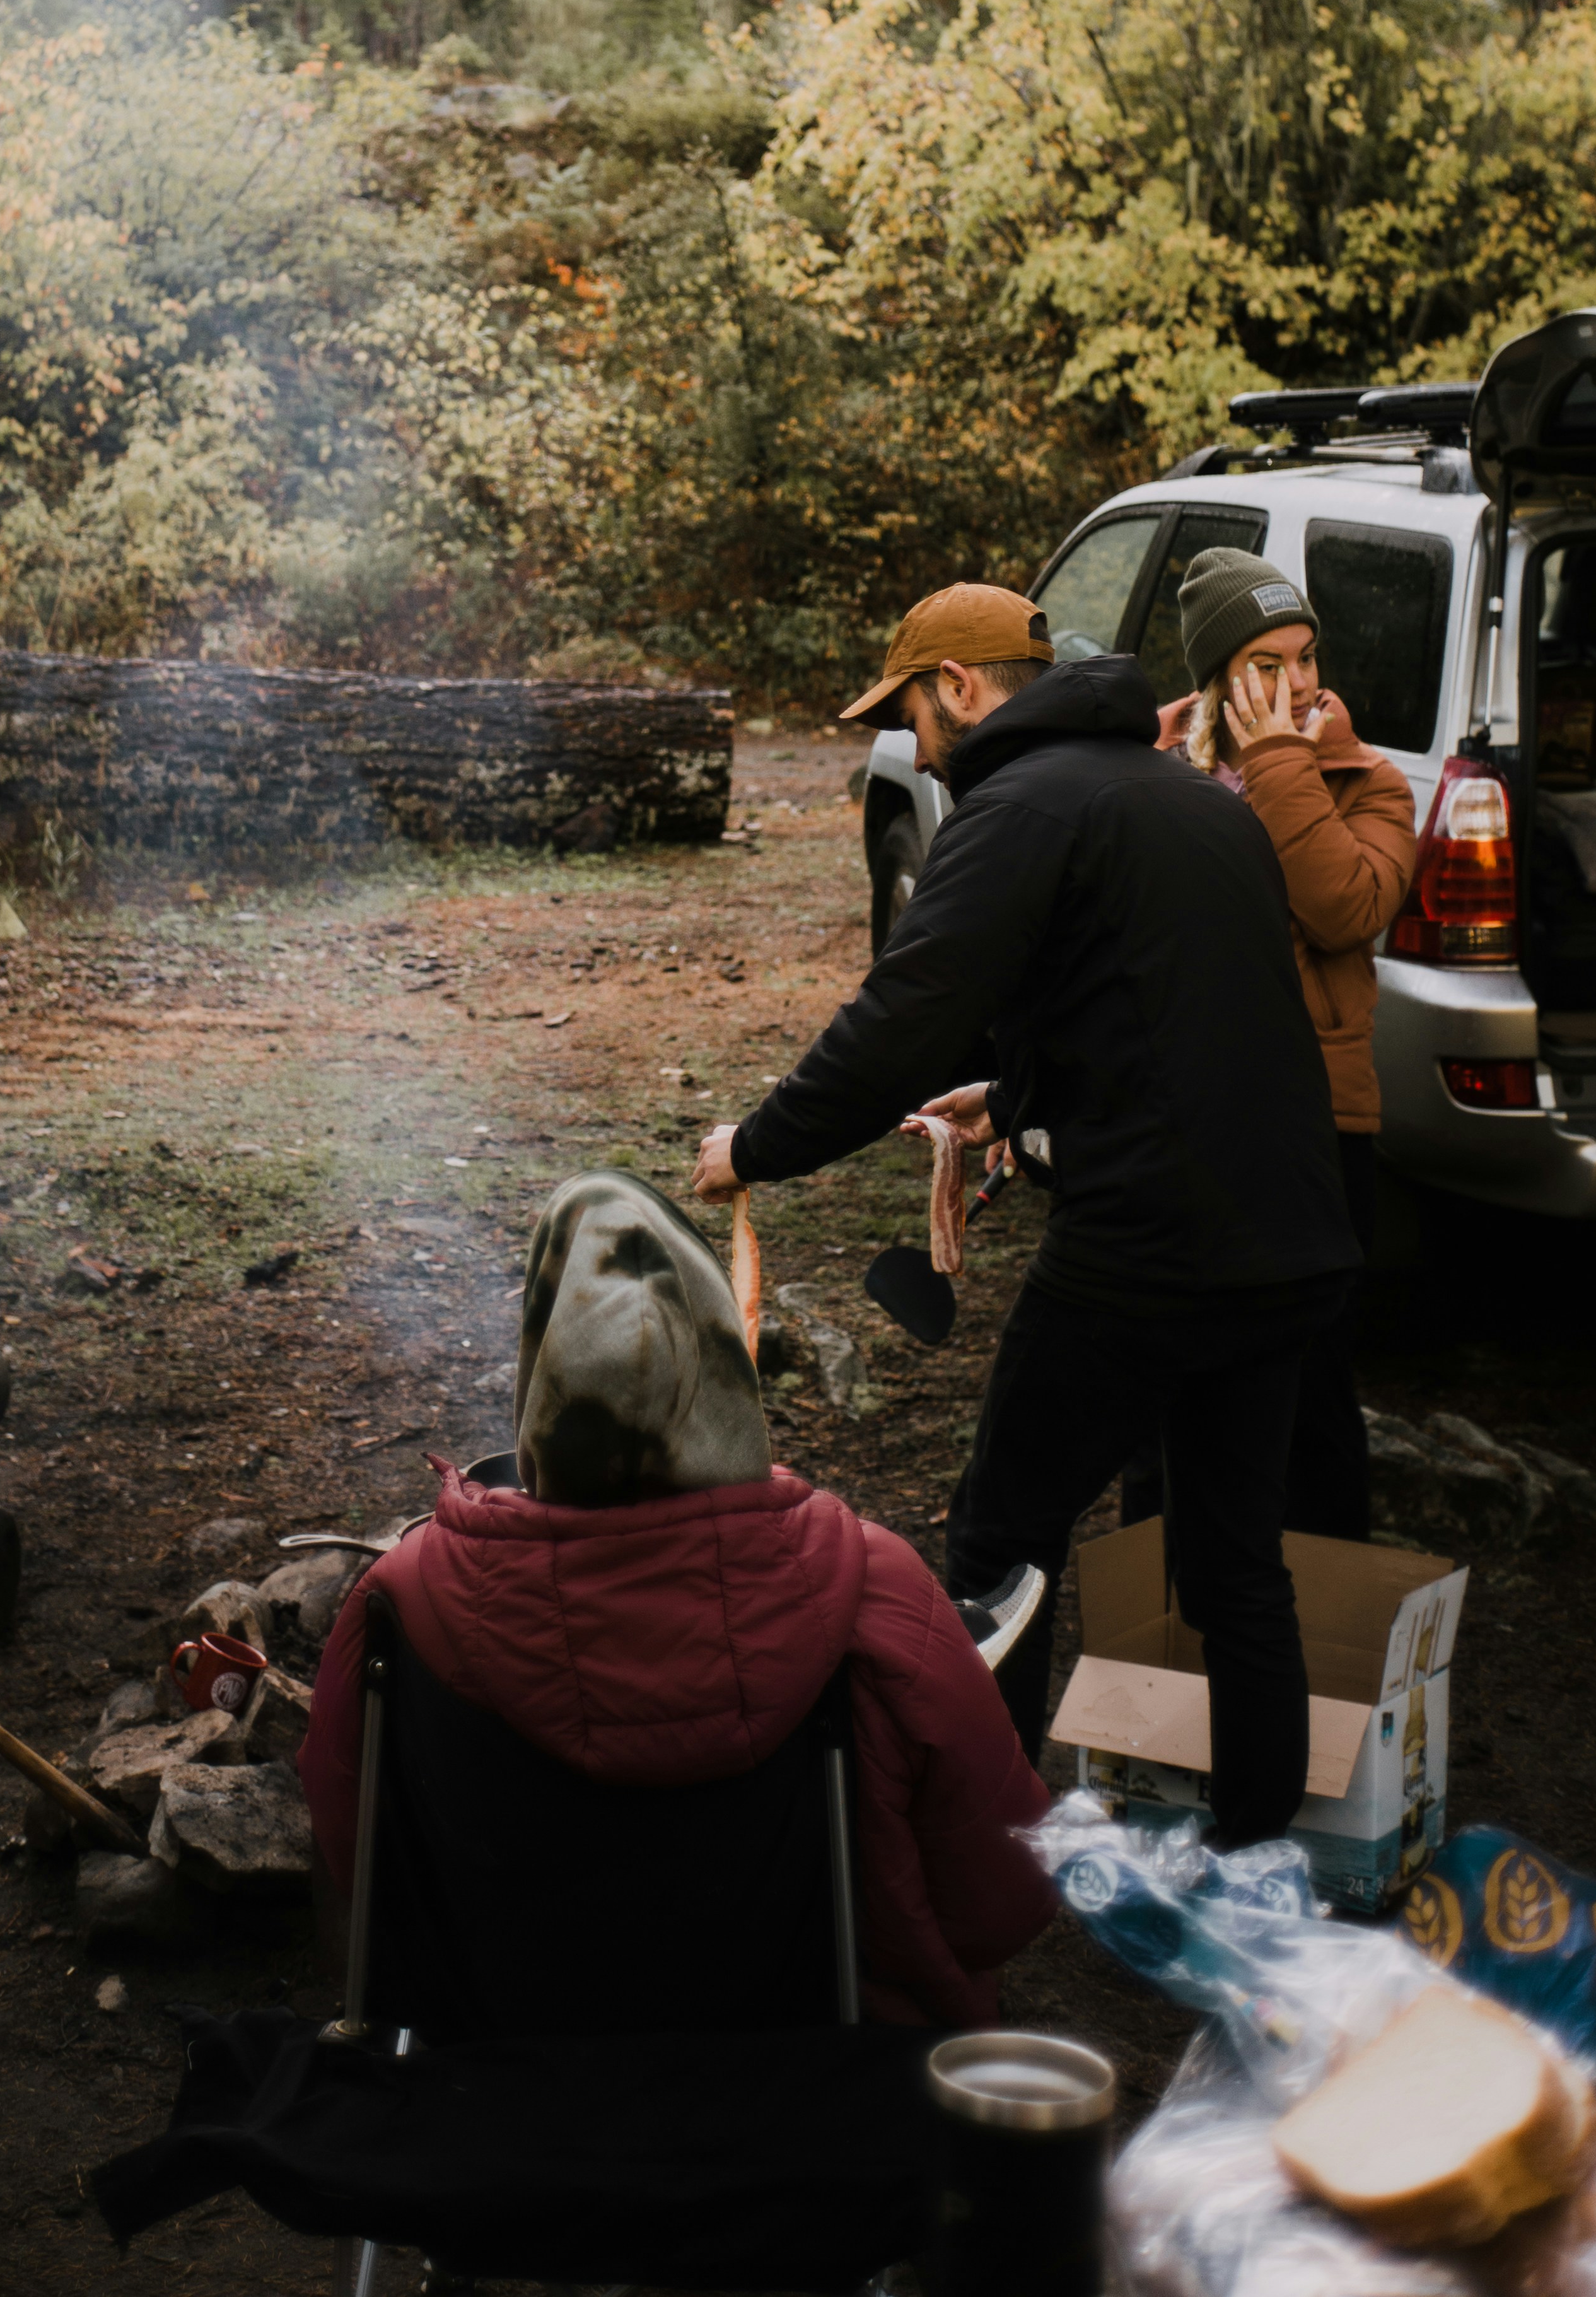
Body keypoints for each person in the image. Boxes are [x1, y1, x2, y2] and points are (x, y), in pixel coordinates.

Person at [690, 580, 1360, 1854]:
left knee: (1002, 1534)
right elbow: (1163, 1009)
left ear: (954, 688)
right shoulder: (1175, 796)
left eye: (907, 710)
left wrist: (756, 1149)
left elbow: (904, 1015)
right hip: (1289, 1240)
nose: (912, 741)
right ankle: (1256, 1857)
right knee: (1233, 1565)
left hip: (1151, 1246)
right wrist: (1016, 1096)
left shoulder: (1017, 806)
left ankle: (982, 1839)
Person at [298, 1168, 1057, 2028]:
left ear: (541, 1361)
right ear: (724, 1357)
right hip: (807, 2091)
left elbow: (355, 1860)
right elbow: (1008, 1901)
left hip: (499, 2086)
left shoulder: (400, 1599)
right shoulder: (873, 1585)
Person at [1150, 546, 1418, 1540]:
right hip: (1183, 1121)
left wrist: (1276, 763)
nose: (1298, 682)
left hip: (1315, 1122)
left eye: (1306, 655)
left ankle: (1330, 1650)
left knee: (1311, 1392)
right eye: (1267, 662)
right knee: (1173, 1388)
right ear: (1218, 674)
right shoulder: (1153, 775)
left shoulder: (1370, 783)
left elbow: (1344, 906)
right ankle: (1165, 1646)